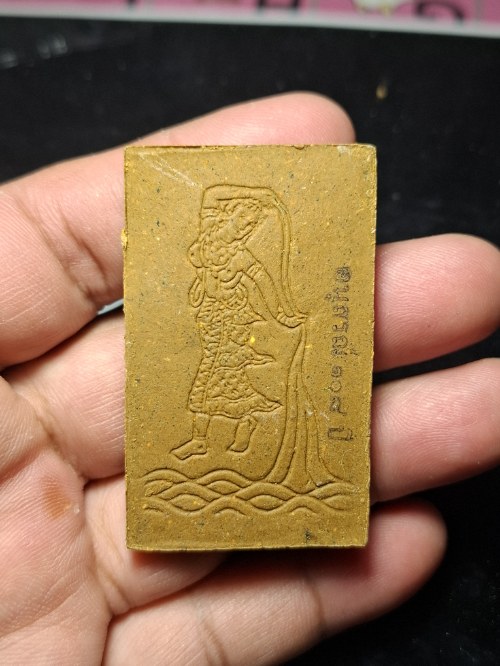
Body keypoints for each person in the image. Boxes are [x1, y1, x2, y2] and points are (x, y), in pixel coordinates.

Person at [0, 92, 498, 664]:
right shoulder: (207, 266)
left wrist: (287, 320)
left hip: (243, 341)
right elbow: (194, 295)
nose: (217, 242)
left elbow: (269, 296)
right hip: (217, 341)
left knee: (243, 399)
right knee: (206, 396)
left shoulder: (246, 264)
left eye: (223, 233)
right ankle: (204, 444)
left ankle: (242, 448)